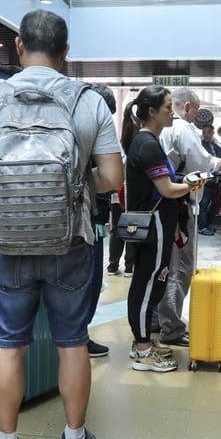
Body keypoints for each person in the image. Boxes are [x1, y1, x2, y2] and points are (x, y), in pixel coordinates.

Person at [0, 11, 122, 439]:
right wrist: (72, 186)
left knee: (10, 342)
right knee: (72, 339)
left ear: (18, 46)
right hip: (70, 240)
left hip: (7, 243)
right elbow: (111, 176)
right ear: (66, 52)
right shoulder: (89, 102)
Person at [121, 85, 208, 372]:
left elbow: (167, 181)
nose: (173, 112)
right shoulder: (146, 145)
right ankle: (144, 350)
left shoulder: (149, 142)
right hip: (153, 226)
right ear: (151, 112)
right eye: (168, 107)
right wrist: (192, 184)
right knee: (147, 286)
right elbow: (168, 190)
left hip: (156, 225)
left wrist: (185, 178)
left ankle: (144, 341)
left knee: (151, 284)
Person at [154, 88, 221, 347]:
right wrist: (217, 163)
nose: (196, 117)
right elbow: (200, 163)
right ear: (186, 107)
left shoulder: (153, 129)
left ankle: (156, 318)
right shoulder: (182, 129)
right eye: (195, 112)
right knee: (179, 267)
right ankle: (171, 327)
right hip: (178, 204)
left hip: (155, 207)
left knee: (159, 265)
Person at [86, 83, 118, 359]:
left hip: (88, 217)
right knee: (89, 281)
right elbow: (108, 176)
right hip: (87, 219)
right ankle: (78, 337)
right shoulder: (90, 135)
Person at [197, 124, 221, 236]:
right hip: (205, 179)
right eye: (205, 132)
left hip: (217, 180)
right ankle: (202, 227)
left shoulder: (216, 147)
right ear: (202, 133)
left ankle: (208, 224)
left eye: (210, 132)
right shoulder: (200, 146)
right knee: (203, 204)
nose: (207, 135)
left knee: (214, 205)